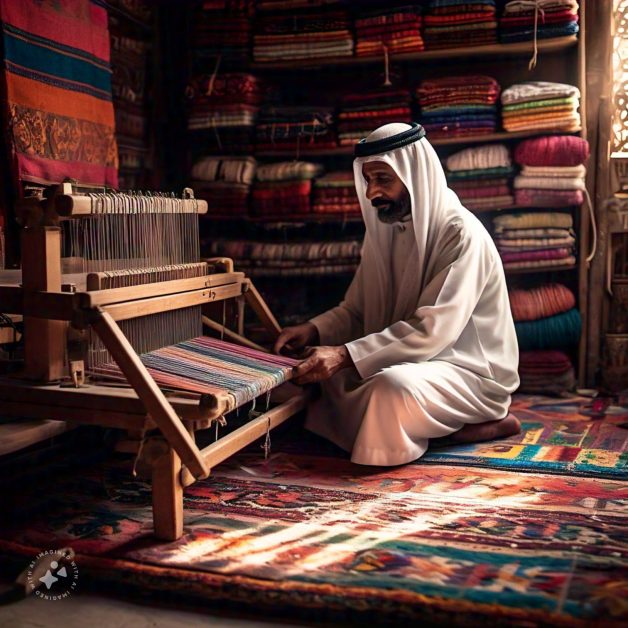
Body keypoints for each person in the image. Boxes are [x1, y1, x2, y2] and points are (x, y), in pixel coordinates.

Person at [274, 122, 521, 466]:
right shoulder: (386, 229)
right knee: (316, 379)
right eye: (368, 180)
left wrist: (343, 355)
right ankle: (443, 431)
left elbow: (432, 330)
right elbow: (357, 310)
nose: (373, 192)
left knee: (390, 388)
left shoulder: (461, 235)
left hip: (466, 373)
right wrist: (314, 330)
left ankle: (474, 423)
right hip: (413, 362)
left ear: (415, 175)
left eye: (383, 179)